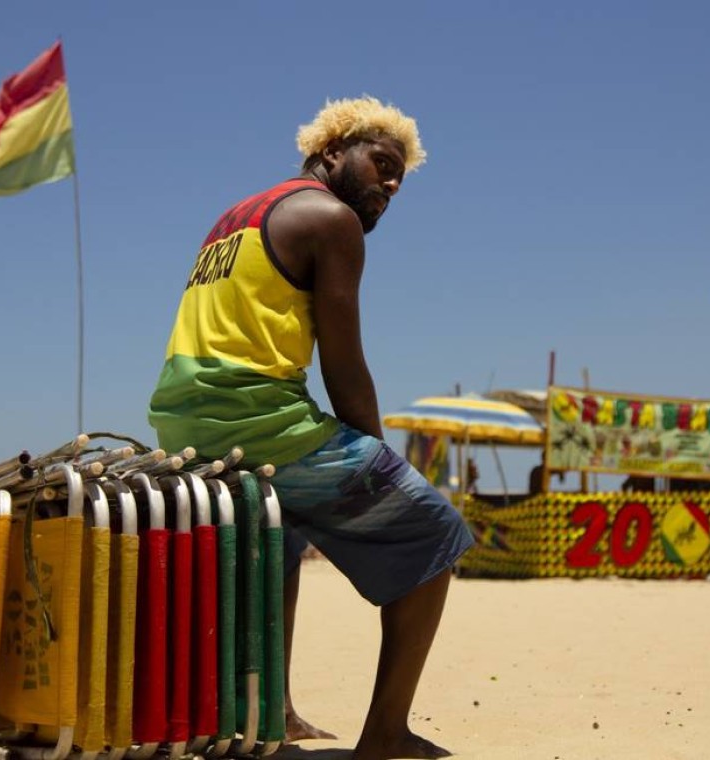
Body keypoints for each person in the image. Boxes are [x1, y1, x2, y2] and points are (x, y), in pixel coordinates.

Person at [149, 96, 472, 760]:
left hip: (184, 415)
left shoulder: (237, 216)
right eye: (381, 165)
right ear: (331, 154)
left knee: (284, 535)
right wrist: (381, 465)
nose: (387, 186)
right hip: (255, 415)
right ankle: (384, 737)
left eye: (398, 180)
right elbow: (345, 366)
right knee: (438, 532)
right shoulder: (332, 221)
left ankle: (275, 711)